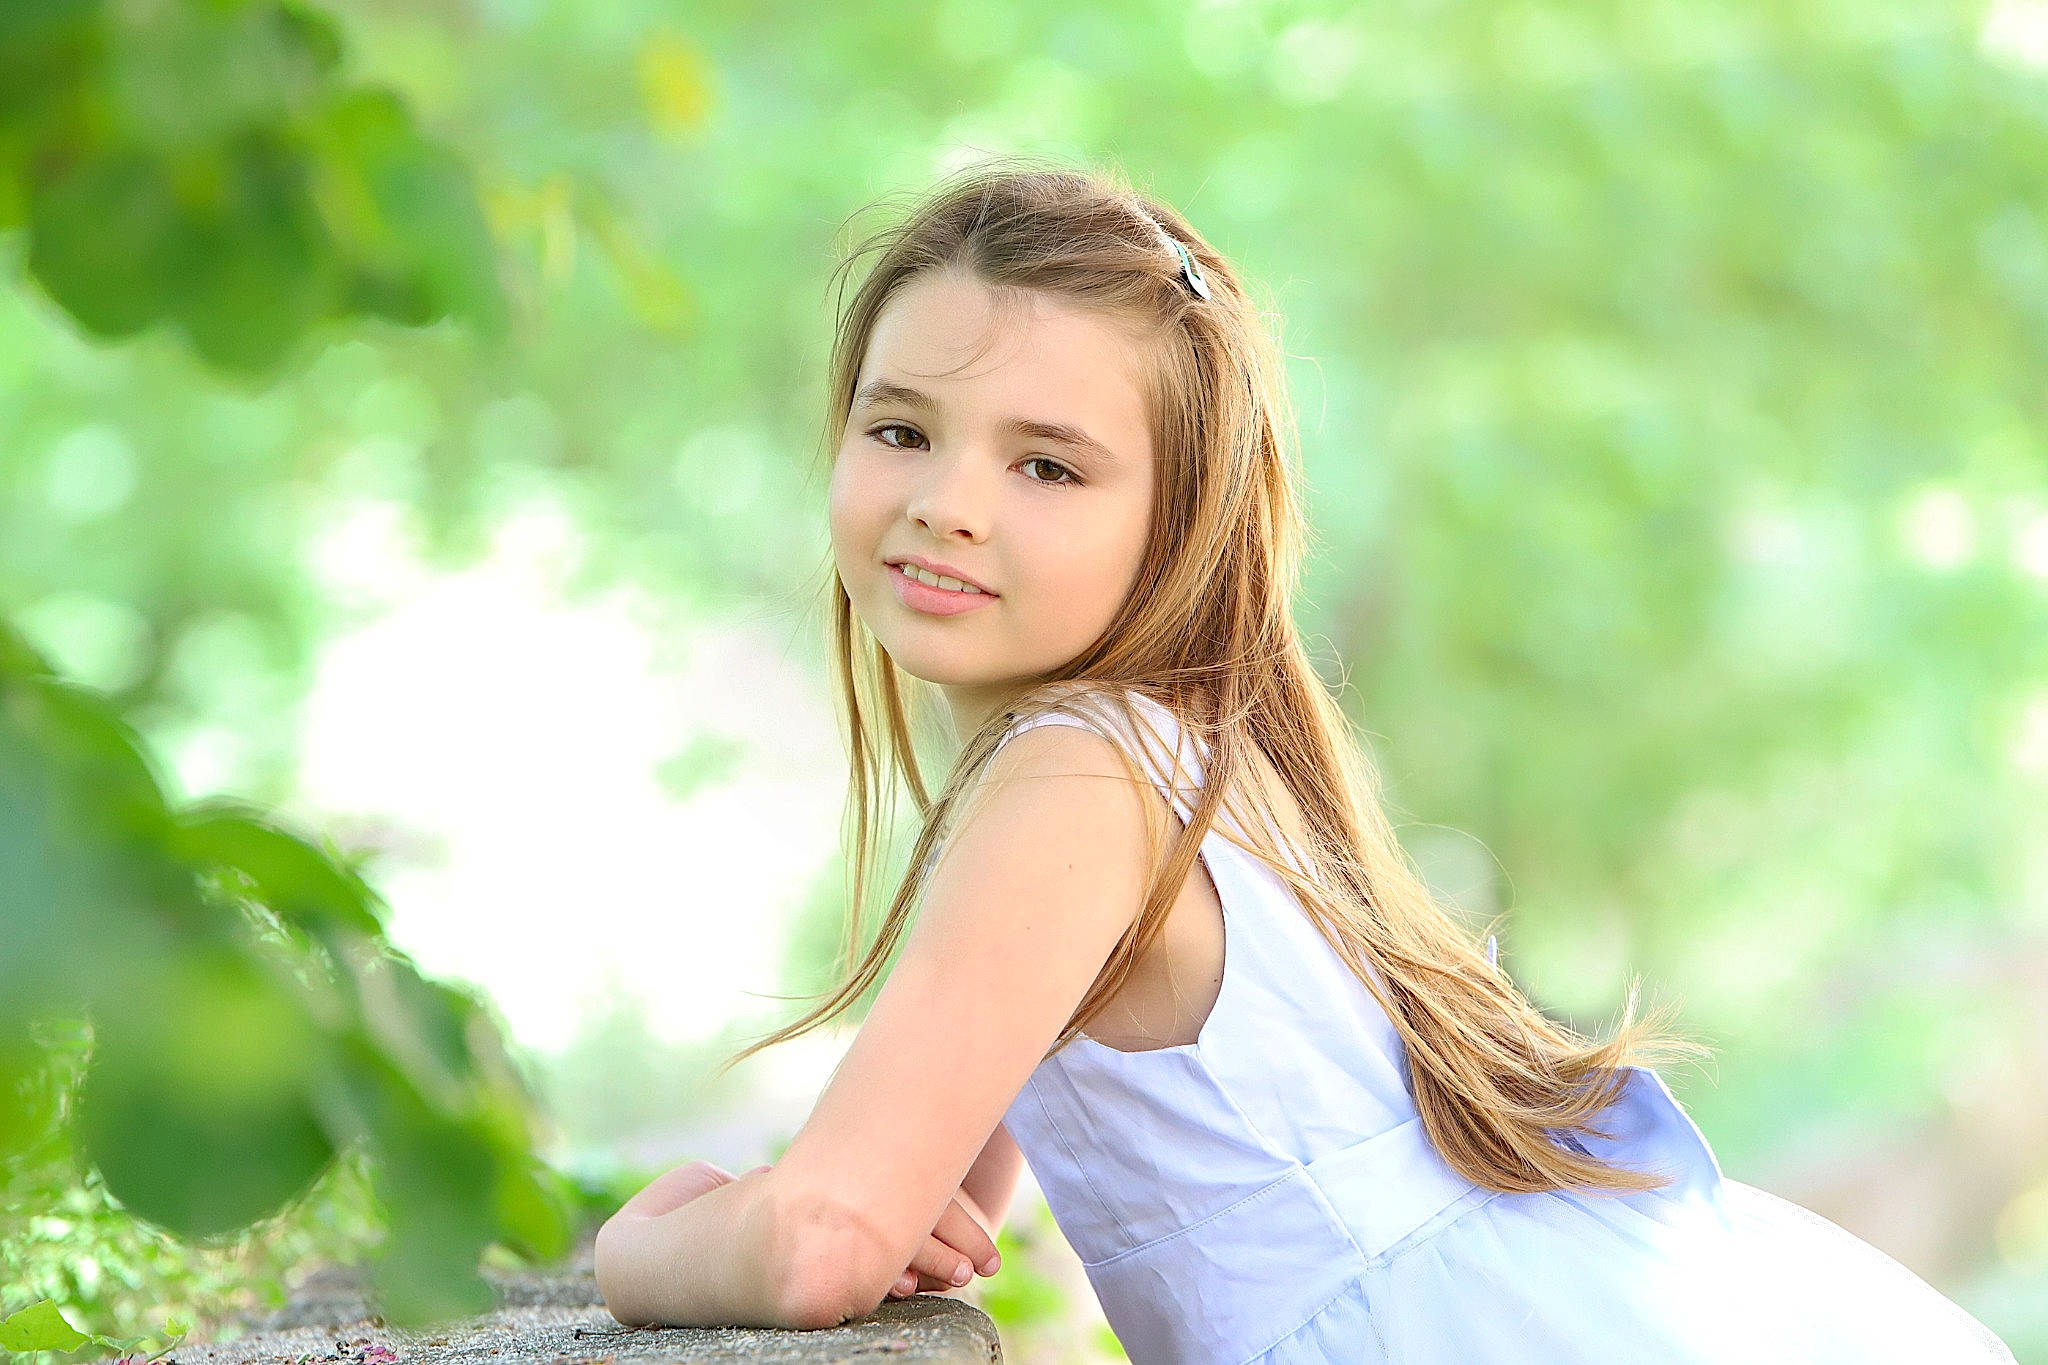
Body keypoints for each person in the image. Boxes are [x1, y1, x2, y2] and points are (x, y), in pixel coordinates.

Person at [592, 159, 2018, 1362]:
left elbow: (825, 1239)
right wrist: (864, 1199)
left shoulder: (1078, 782)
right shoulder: (1180, 753)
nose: (949, 504)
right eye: (901, 428)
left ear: (1181, 515)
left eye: (1048, 465)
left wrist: (648, 1243)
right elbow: (913, 1185)